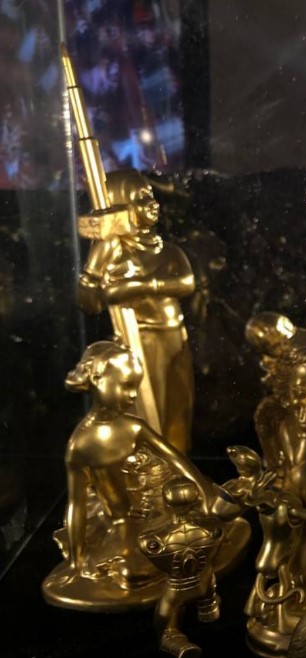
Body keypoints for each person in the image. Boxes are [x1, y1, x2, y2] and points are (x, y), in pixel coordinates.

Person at [45, 340, 238, 610]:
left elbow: (177, 461)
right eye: (126, 386)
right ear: (98, 380)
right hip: (122, 525)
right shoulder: (81, 445)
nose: (133, 395)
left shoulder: (133, 427)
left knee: (214, 524)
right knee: (135, 571)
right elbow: (76, 505)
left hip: (159, 509)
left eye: (135, 386)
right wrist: (77, 563)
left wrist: (205, 497)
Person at [78, 169, 195, 453]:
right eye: (141, 198)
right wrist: (93, 270)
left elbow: (186, 283)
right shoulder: (117, 256)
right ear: (122, 208)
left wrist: (141, 285)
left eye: (151, 196)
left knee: (182, 403)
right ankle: (155, 466)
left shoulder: (167, 251)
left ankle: (179, 463)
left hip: (176, 334)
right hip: (143, 338)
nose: (152, 204)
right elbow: (91, 303)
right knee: (152, 405)